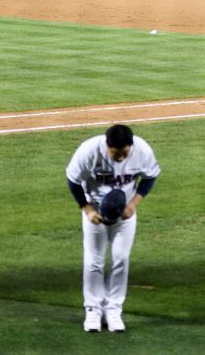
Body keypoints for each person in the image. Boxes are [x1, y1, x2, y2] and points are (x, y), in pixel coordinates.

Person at [66, 124, 161, 333]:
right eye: (115, 153)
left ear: (131, 146)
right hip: (96, 213)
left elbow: (150, 176)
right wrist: (87, 209)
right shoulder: (89, 151)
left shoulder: (142, 150)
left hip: (124, 215)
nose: (120, 157)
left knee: (121, 258)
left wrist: (133, 204)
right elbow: (73, 180)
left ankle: (114, 310)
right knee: (94, 261)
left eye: (124, 153)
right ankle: (93, 310)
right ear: (106, 145)